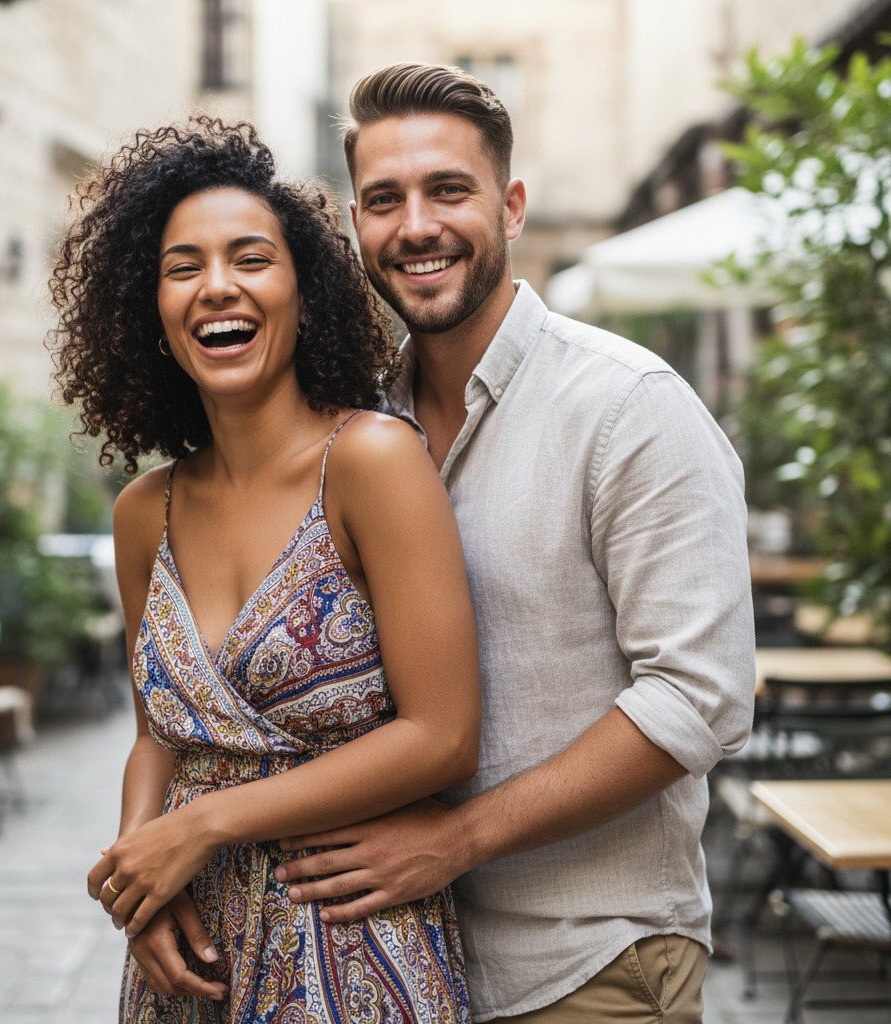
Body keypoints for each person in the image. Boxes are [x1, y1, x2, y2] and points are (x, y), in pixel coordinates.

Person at [271, 64, 758, 1023]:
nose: (415, 226)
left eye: (449, 190)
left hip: (589, 962)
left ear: (512, 207)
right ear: (356, 225)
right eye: (383, 200)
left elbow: (700, 697)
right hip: (392, 964)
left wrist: (456, 840)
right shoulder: (359, 428)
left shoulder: (628, 407)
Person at [48, 115, 480, 1023]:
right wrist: (141, 875)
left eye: (250, 258)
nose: (216, 288)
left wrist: (198, 826)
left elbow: (443, 734)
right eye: (182, 267)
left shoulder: (370, 462)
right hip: (187, 960)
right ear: (149, 312)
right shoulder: (144, 513)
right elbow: (160, 736)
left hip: (352, 940)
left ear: (305, 292)